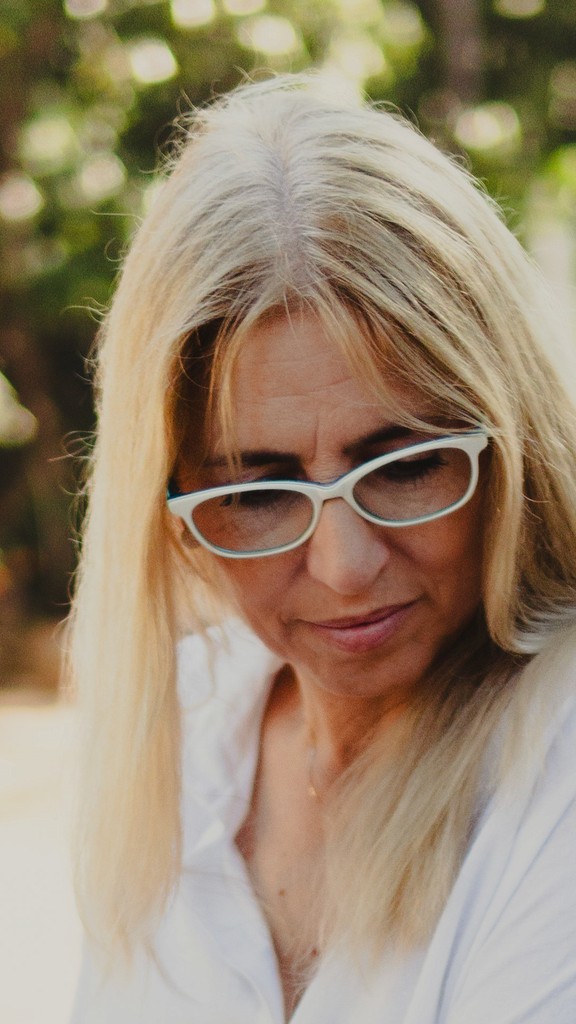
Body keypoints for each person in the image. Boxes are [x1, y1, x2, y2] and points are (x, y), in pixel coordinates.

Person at [69, 74, 576, 1023]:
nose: (345, 566)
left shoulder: (557, 758)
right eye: (259, 492)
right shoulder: (183, 722)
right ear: (169, 506)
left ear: (513, 447)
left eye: (407, 466)